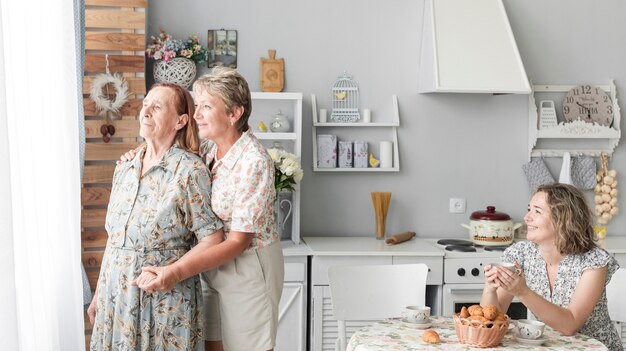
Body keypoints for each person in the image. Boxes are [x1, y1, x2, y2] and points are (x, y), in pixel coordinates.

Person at [129, 67, 284, 351]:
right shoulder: (209, 150)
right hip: (212, 263)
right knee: (212, 345)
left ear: (234, 113)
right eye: (197, 106)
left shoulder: (254, 161)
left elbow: (238, 241)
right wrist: (138, 154)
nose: (197, 114)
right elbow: (164, 150)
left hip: (247, 266)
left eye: (207, 106)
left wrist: (175, 271)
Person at [88, 83, 224, 351]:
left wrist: (172, 273)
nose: (146, 111)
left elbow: (213, 239)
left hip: (166, 306)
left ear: (180, 121)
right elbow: (115, 240)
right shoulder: (124, 167)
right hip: (116, 299)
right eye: (145, 104)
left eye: (157, 106)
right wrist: (99, 294)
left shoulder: (189, 170)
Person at [481, 183, 622, 350]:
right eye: (529, 209)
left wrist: (522, 291)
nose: (527, 217)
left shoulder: (593, 261)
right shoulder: (520, 254)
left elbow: (570, 324)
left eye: (537, 211)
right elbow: (491, 320)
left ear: (563, 219)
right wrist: (490, 290)